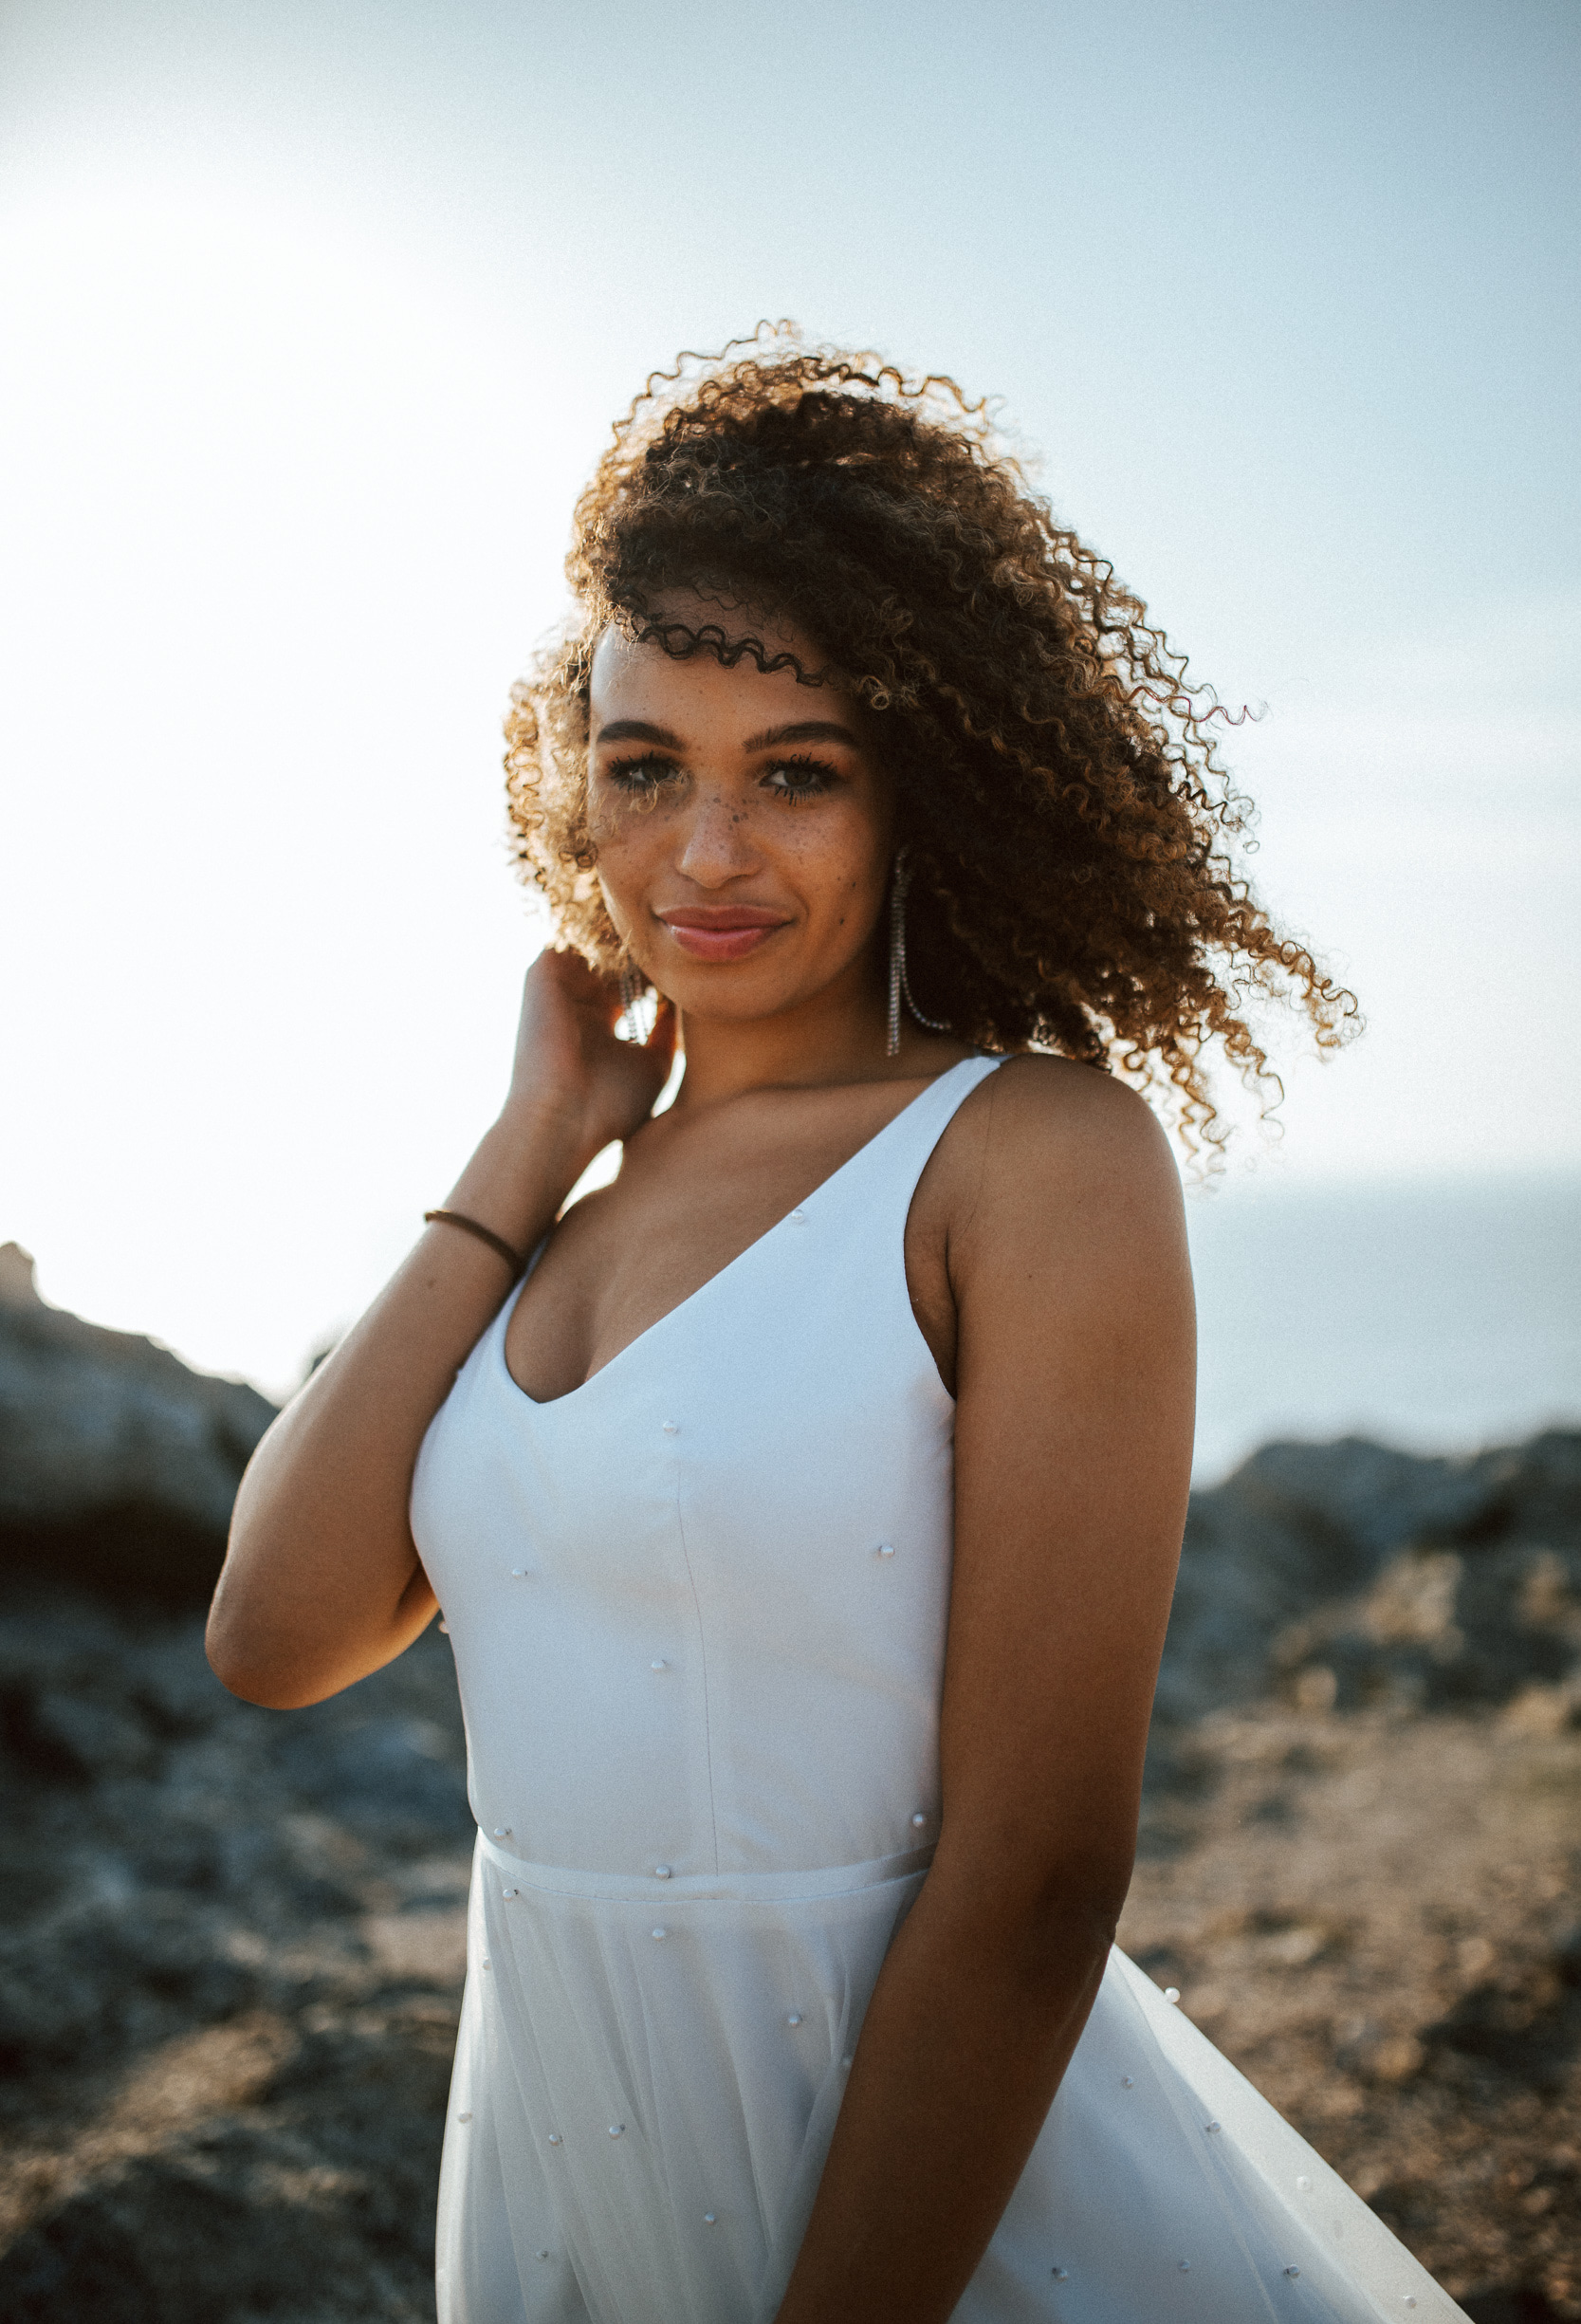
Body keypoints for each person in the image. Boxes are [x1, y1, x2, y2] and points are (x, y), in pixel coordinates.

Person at [207, 333, 1464, 2324]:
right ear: (577, 788)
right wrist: (529, 1137)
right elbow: (274, 1631)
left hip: (914, 2182)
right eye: (647, 771)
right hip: (559, 2134)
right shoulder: (559, 1211)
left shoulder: (1028, 1155)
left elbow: (1040, 1872)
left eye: (794, 772)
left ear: (918, 796)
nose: (705, 853)